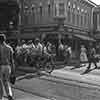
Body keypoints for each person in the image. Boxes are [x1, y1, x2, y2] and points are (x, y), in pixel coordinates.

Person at [0, 34, 15, 100]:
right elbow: (12, 60)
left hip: (0, 66)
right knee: (6, 82)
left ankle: (1, 97)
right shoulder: (9, 48)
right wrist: (13, 71)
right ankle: (9, 95)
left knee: (0, 83)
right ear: (5, 40)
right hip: (8, 67)